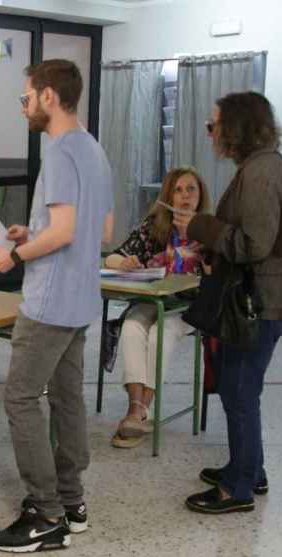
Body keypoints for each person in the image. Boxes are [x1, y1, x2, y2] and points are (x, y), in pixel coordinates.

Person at [0, 59, 113, 553]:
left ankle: (45, 512)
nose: (24, 108)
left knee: (19, 398)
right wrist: (30, 232)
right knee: (67, 398)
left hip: (49, 301)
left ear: (49, 97)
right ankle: (72, 502)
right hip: (81, 299)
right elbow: (100, 231)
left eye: (26, 98)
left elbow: (63, 232)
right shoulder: (94, 149)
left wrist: (15, 252)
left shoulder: (59, 152)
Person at [174, 92, 282, 514]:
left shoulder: (261, 174)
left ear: (235, 128)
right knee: (242, 388)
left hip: (263, 301)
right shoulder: (263, 166)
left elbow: (253, 244)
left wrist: (200, 225)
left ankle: (238, 488)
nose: (211, 133)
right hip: (270, 297)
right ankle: (250, 469)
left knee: (238, 390)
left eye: (214, 125)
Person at [104, 167, 211, 448]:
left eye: (191, 189)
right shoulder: (155, 226)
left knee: (158, 334)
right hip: (154, 299)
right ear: (169, 197)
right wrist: (124, 263)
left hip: (191, 306)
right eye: (178, 190)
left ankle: (137, 412)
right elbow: (113, 258)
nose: (185, 196)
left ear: (200, 196)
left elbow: (218, 274)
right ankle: (138, 410)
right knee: (131, 325)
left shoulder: (210, 228)